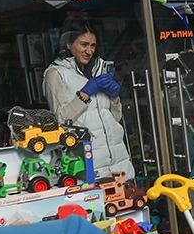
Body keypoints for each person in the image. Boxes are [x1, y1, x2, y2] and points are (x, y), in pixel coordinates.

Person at [43, 17, 136, 180]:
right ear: (68, 44)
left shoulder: (100, 68)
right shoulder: (56, 74)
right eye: (84, 44)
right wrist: (85, 93)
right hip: (91, 169)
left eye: (93, 45)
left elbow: (116, 118)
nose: (89, 51)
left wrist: (115, 99)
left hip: (120, 165)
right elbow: (61, 120)